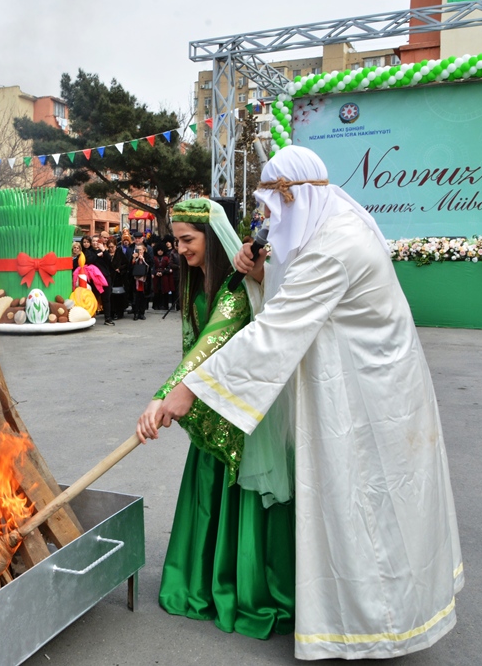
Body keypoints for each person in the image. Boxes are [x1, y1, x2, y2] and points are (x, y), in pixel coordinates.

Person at [151, 147, 462, 660]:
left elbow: (278, 330)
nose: (267, 224)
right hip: (368, 392)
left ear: (292, 196)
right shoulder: (332, 225)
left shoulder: (335, 246)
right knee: (368, 505)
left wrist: (189, 390)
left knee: (366, 507)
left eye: (271, 212)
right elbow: (295, 296)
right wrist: (261, 276)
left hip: (366, 403)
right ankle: (372, 615)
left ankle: (377, 625)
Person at [135, 198, 295, 643]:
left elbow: (211, 344)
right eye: (176, 240)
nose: (180, 249)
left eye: (188, 239)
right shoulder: (196, 286)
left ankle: (243, 589)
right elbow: (194, 349)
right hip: (211, 408)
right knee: (208, 495)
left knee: (236, 499)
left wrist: (164, 395)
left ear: (213, 239)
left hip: (241, 414)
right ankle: (204, 582)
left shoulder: (234, 287)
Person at [150, 245, 174, 311]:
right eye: (158, 250)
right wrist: (155, 272)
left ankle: (164, 305)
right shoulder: (154, 258)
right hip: (156, 276)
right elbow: (152, 267)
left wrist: (163, 272)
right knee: (156, 291)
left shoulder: (166, 258)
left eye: (161, 250)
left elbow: (169, 267)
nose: (160, 252)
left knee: (165, 290)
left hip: (164, 276)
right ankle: (156, 305)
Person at [130, 244, 149, 320]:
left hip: (144, 281)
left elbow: (149, 267)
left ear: (144, 250)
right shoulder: (134, 257)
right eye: (137, 250)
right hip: (136, 281)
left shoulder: (146, 257)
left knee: (143, 298)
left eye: (140, 250)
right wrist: (134, 259)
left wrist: (143, 259)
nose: (139, 251)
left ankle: (142, 313)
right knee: (136, 298)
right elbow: (130, 269)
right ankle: (136, 313)